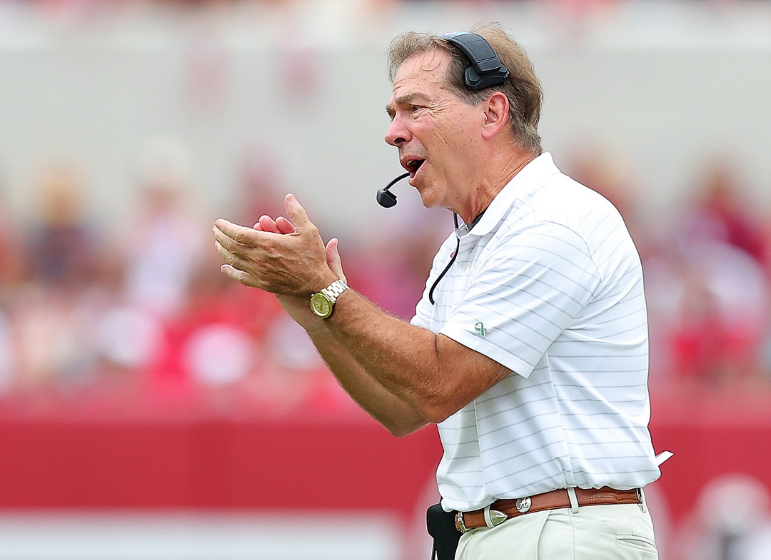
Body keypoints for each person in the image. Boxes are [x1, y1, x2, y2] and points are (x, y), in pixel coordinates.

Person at [213, 22, 668, 560]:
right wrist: (313, 307)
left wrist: (327, 287)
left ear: (493, 114)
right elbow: (402, 408)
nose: (393, 132)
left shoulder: (556, 222)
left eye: (415, 108)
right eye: (392, 114)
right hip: (514, 532)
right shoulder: (467, 245)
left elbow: (438, 382)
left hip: (561, 532)